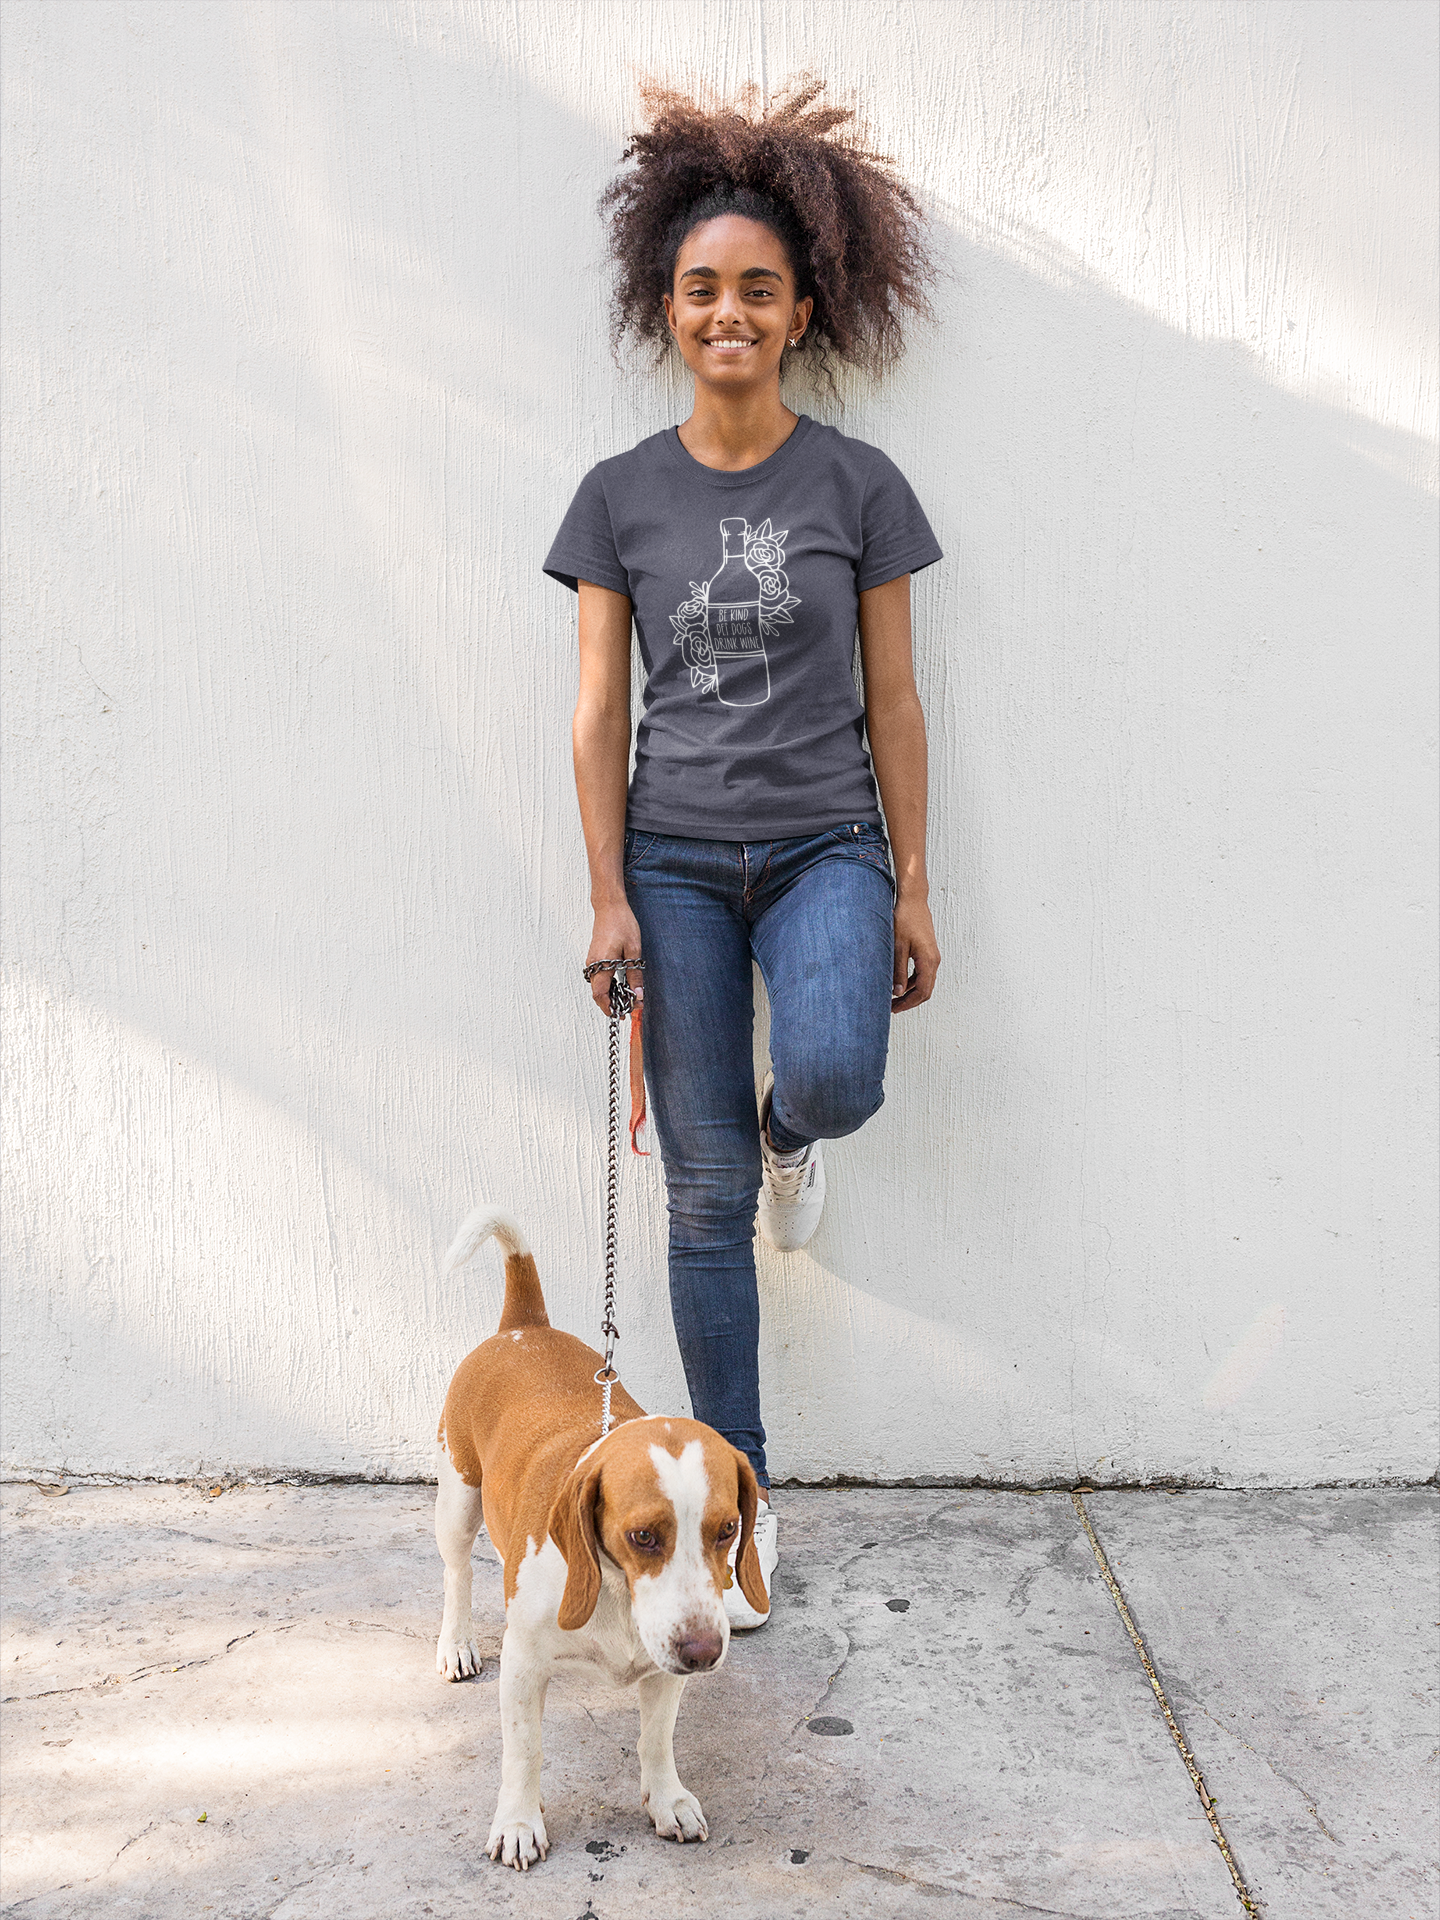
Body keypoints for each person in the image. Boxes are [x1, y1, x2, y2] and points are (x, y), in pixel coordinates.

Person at [543, 77, 942, 1629]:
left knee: (838, 1069)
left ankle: (796, 1136)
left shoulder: (858, 485)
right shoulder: (616, 496)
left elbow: (898, 701)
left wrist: (910, 878)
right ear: (669, 306)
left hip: (827, 843)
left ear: (800, 310)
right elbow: (595, 714)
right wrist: (604, 895)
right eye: (702, 288)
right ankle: (737, 1521)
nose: (729, 312)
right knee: (700, 1198)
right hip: (676, 866)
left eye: (757, 290)